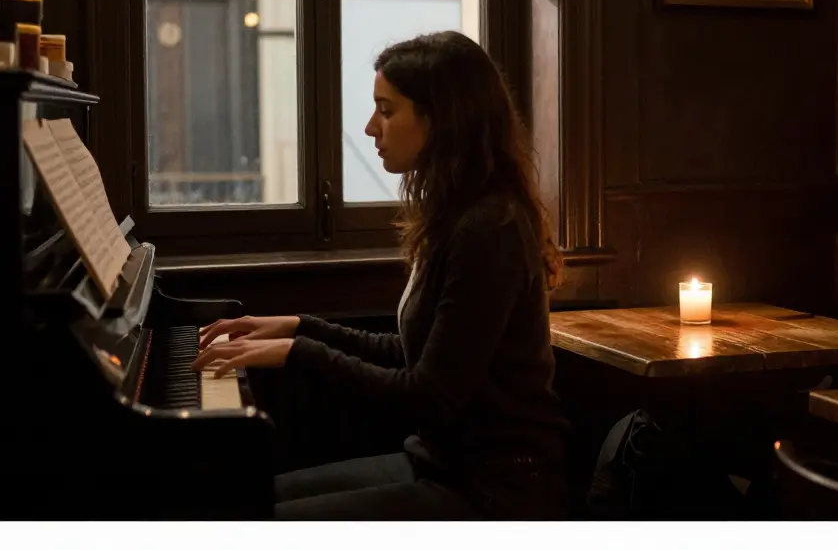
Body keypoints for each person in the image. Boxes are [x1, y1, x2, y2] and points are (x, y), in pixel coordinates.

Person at [191, 31, 570, 520]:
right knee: (250, 498)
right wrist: (299, 327)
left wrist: (297, 352)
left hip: (497, 487)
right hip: (442, 463)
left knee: (259, 520)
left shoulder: (490, 229)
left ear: (441, 120)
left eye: (386, 111)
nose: (371, 127)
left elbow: (428, 395)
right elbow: (412, 354)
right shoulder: (459, 215)